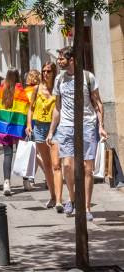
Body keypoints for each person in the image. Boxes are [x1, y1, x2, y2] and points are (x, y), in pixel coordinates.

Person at [46, 47, 106, 221]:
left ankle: (86, 207)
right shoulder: (59, 80)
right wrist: (51, 131)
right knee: (66, 166)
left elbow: (98, 104)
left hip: (87, 125)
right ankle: (72, 199)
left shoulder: (88, 77)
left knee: (88, 169)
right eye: (58, 59)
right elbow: (57, 107)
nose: (59, 61)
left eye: (62, 59)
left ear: (72, 60)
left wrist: (101, 126)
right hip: (65, 127)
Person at [0, 69, 29, 196]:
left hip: (5, 128)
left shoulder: (1, 90)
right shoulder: (20, 90)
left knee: (7, 154)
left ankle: (7, 183)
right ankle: (25, 182)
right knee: (21, 153)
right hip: (18, 127)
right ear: (17, 77)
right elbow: (26, 108)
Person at [26, 62, 60, 209]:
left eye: (48, 71)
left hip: (56, 128)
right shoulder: (36, 89)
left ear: (54, 72)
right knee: (46, 165)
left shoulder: (58, 89)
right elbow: (30, 109)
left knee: (56, 164)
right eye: (44, 71)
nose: (45, 74)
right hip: (39, 127)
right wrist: (29, 125)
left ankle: (59, 200)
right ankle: (52, 196)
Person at [22, 69, 41, 191]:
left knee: (29, 152)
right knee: (37, 153)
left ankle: (27, 178)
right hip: (37, 123)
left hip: (26, 125)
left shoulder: (23, 92)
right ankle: (31, 177)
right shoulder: (39, 91)